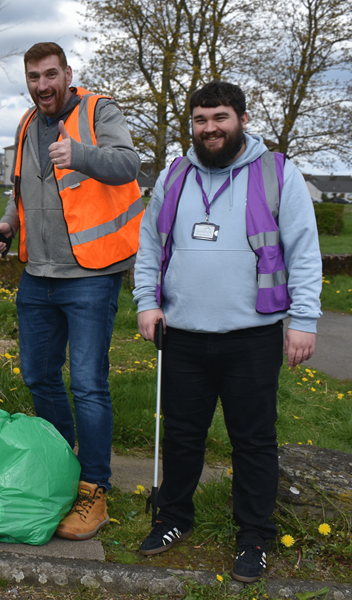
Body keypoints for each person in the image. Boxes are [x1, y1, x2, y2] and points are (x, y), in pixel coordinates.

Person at [132, 81, 321, 583]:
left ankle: (253, 538)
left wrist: (303, 319)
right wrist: (146, 303)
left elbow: (304, 248)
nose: (209, 129)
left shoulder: (277, 171)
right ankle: (173, 519)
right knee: (182, 436)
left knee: (254, 441)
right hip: (184, 335)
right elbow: (149, 244)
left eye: (219, 118)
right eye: (200, 120)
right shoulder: (174, 174)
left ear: (240, 118)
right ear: (190, 124)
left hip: (252, 336)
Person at [0, 42, 143, 540]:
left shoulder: (99, 110)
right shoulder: (27, 124)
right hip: (38, 274)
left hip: (92, 275)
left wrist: (80, 154)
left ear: (67, 74)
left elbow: (128, 165)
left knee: (88, 384)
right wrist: (8, 223)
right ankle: (61, 467)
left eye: (50, 75)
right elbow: (21, 193)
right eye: (33, 76)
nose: (42, 85)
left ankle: (95, 488)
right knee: (37, 375)